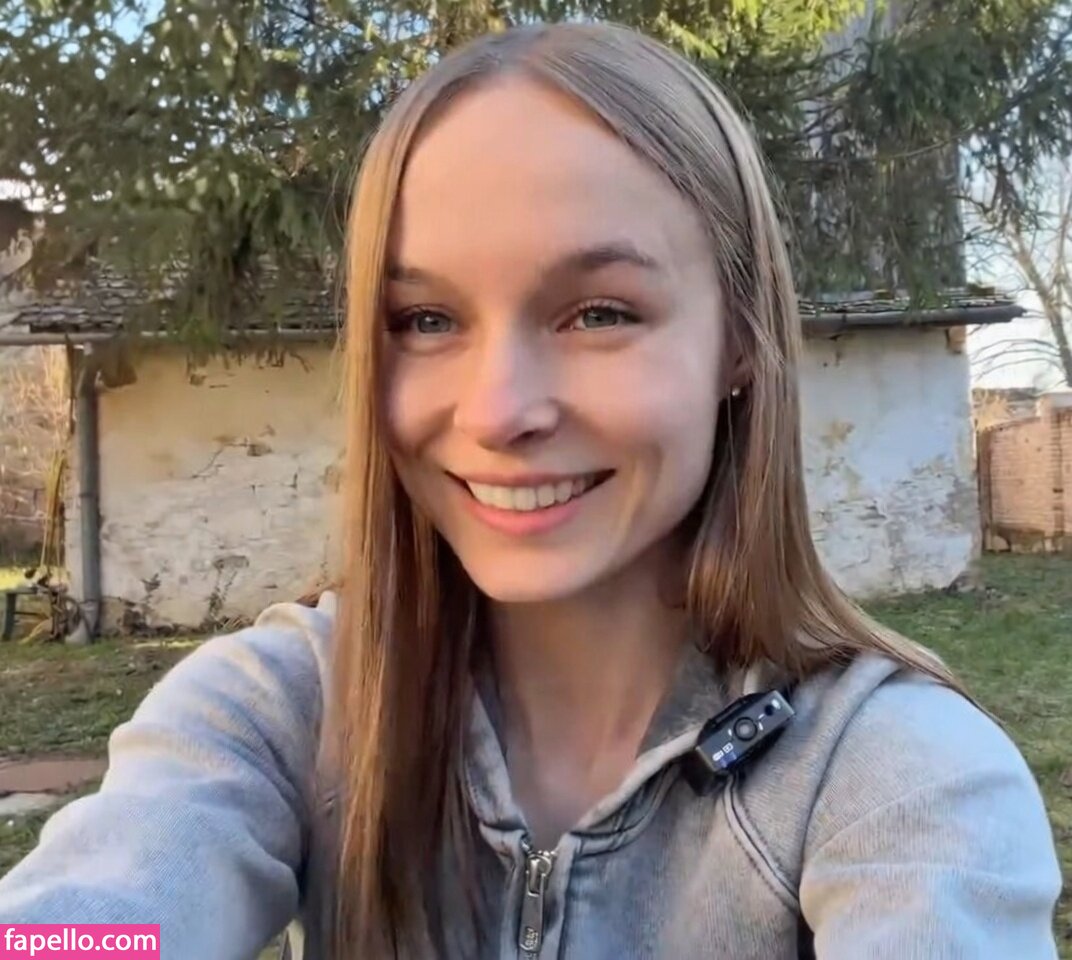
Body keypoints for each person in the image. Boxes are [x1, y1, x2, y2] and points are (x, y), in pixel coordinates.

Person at [0, 21, 1060, 960]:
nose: (499, 411)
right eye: (424, 321)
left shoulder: (900, 780)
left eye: (598, 313)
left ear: (739, 342)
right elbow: (91, 923)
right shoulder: (280, 712)